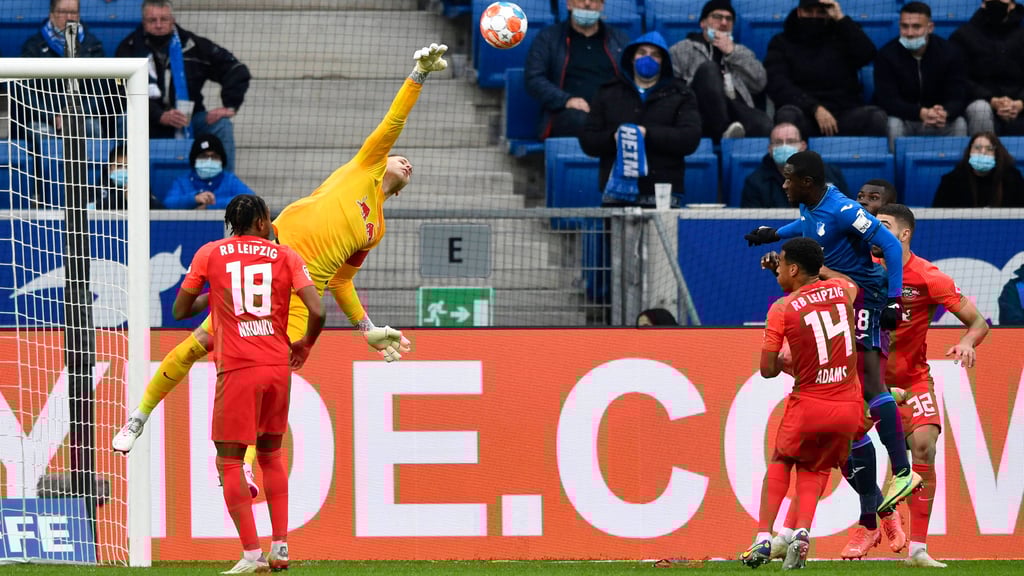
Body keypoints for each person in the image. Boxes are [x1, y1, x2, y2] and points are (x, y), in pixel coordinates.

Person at [112, 42, 447, 491]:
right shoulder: (365, 166)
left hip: (299, 299)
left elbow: (343, 280)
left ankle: (245, 465)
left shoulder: (377, 227)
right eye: (401, 156)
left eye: (411, 168)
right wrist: (419, 76)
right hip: (265, 267)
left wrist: (365, 327)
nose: (407, 161)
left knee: (266, 382)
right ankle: (139, 416)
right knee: (198, 343)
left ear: (401, 188)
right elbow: (394, 122)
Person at [744, 151, 922, 519]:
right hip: (842, 297)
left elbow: (888, 244)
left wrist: (891, 300)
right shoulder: (812, 207)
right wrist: (773, 234)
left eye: (789, 177)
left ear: (806, 182)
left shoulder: (841, 209)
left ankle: (903, 472)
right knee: (853, 392)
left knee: (871, 385)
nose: (784, 183)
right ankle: (872, 513)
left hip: (866, 295)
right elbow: (807, 227)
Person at [173, 194, 324, 574]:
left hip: (237, 367)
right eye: (269, 218)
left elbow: (180, 309)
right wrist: (304, 345)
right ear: (259, 222)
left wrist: (221, 294)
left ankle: (252, 555)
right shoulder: (286, 256)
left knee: (229, 460)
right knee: (271, 454)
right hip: (276, 366)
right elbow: (319, 310)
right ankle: (282, 547)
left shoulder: (211, 253)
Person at [872, 203, 989, 568]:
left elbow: (978, 322)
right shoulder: (863, 271)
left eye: (885, 226)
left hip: (912, 380)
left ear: (905, 234)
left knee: (925, 447)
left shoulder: (928, 277)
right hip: (867, 381)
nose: (875, 232)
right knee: (835, 452)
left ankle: (918, 549)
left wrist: (967, 342)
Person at [741, 237, 864, 570]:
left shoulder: (781, 309)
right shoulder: (842, 290)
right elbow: (846, 286)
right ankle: (801, 532)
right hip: (848, 406)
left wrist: (783, 361)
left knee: (782, 459)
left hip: (810, 402)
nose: (777, 267)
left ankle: (763, 536)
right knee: (816, 467)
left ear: (793, 269)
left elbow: (766, 370)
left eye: (781, 263)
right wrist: (816, 266)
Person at [115, 0, 252, 169]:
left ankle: (225, 187)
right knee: (126, 120)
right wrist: (159, 115)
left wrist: (230, 106)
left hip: (189, 119)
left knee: (222, 126)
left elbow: (236, 70)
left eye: (164, 19)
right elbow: (122, 91)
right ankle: (125, 185)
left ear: (173, 20)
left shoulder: (193, 45)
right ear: (143, 22)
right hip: (147, 119)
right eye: (152, 20)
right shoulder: (128, 49)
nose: (158, 25)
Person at [579, 31, 702, 208]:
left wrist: (647, 134)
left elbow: (690, 138)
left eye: (655, 55)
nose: (648, 58)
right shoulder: (608, 92)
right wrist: (614, 137)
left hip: (663, 194)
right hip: (616, 195)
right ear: (632, 58)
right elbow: (588, 140)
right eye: (642, 53)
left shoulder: (681, 93)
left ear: (664, 61)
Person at [765, 0, 887, 138]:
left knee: (876, 117)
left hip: (843, 113)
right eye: (809, 12)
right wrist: (814, 108)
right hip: (804, 114)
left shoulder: (843, 34)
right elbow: (777, 83)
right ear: (799, 12)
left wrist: (841, 19)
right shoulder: (781, 42)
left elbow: (867, 54)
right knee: (787, 116)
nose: (814, 16)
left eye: (821, 12)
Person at [524, 0, 630, 139]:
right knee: (583, 121)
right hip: (568, 114)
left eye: (593, 0)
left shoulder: (619, 39)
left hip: (610, 112)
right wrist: (566, 100)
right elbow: (533, 79)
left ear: (602, 5)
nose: (587, 3)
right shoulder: (548, 38)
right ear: (569, 4)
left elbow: (631, 78)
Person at [668, 0, 772, 142]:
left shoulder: (742, 52)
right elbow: (671, 87)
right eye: (717, 17)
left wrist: (732, 53)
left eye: (729, 19)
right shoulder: (682, 49)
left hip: (736, 111)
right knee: (709, 69)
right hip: (699, 112)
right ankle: (724, 131)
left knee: (764, 123)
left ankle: (730, 132)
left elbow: (760, 83)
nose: (723, 23)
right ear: (703, 23)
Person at [874, 2, 969, 151]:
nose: (910, 33)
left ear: (930, 28)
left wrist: (945, 112)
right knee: (893, 124)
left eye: (916, 27)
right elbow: (887, 100)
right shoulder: (887, 55)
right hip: (907, 120)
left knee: (960, 124)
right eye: (904, 26)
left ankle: (958, 172)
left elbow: (958, 95)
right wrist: (920, 113)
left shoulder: (950, 53)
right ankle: (897, 172)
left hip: (940, 120)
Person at [19, 0, 108, 138]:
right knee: (40, 131)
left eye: (73, 12)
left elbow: (99, 91)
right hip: (45, 119)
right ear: (52, 15)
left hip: (82, 116)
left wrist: (79, 114)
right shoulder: (33, 46)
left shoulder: (93, 46)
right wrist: (52, 116)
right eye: (63, 12)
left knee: (92, 127)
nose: (69, 17)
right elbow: (26, 92)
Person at [950, 0, 1024, 136]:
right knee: (980, 109)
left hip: (1019, 105)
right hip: (980, 101)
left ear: (1012, 5)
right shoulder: (963, 36)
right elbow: (959, 78)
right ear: (983, 4)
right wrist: (991, 100)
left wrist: (1020, 103)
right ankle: (983, 153)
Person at [740, 122, 849, 207]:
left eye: (790, 141)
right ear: (770, 149)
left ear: (803, 146)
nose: (784, 146)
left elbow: (845, 209)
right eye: (778, 142)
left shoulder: (831, 174)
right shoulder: (754, 182)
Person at [161, 134, 255, 209]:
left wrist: (211, 205)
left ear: (221, 160)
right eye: (204, 156)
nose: (209, 161)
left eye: (214, 157)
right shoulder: (182, 182)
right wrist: (194, 199)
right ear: (194, 160)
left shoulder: (230, 180)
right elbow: (168, 203)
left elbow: (250, 200)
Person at [933, 131, 1024, 207]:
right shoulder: (952, 180)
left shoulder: (1013, 179)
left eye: (989, 149)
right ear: (969, 152)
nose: (983, 152)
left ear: (997, 154)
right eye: (977, 148)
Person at [94, 144, 163, 210]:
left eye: (127, 166)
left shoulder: (143, 188)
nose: (123, 170)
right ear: (109, 168)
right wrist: (123, 196)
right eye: (119, 166)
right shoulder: (97, 189)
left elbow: (161, 213)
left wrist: (144, 199)